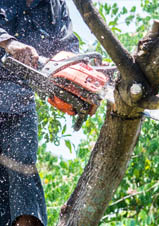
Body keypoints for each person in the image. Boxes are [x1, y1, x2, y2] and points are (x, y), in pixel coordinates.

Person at [0, 0, 79, 225]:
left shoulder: (55, 6)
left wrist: (77, 76)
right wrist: (9, 43)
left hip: (19, 100)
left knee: (23, 172)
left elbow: (68, 48)